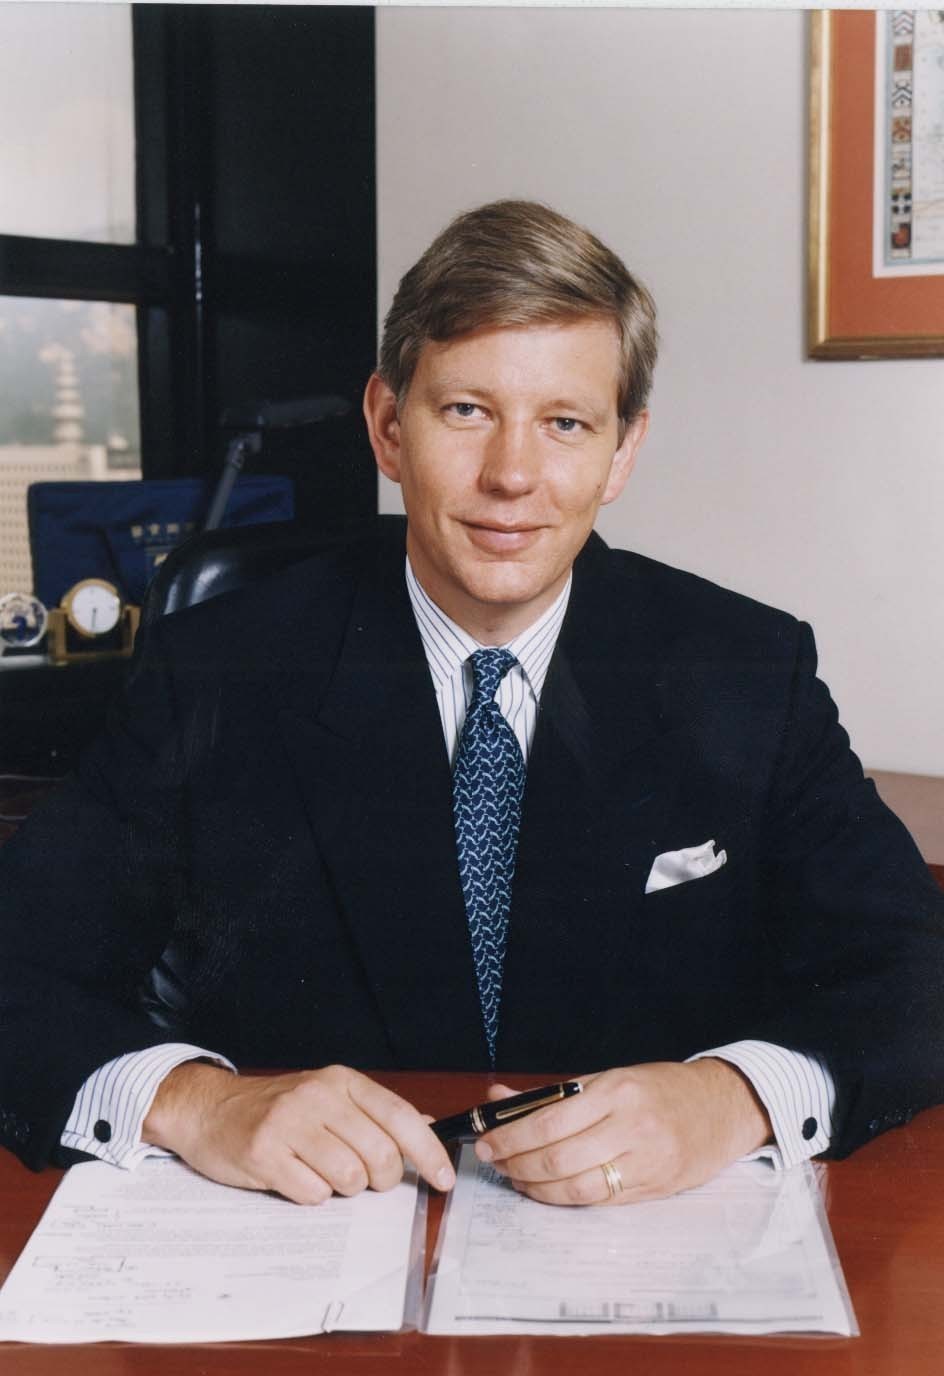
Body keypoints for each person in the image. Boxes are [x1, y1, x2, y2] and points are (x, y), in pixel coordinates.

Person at [2, 201, 942, 1211]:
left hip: (641, 1252)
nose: (511, 476)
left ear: (621, 451)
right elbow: (20, 964)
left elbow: (911, 972)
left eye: (565, 423)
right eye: (465, 411)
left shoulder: (745, 669)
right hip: (302, 1241)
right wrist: (196, 1104)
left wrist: (730, 1098)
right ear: (385, 425)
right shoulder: (221, 669)